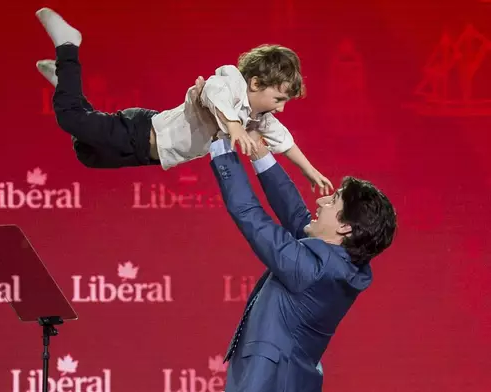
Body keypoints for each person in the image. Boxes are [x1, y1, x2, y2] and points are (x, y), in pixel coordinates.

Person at [188, 77, 397, 391]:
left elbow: (251, 217)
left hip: (266, 382)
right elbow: (299, 219)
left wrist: (220, 143)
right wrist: (260, 156)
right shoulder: (340, 263)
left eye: (333, 199)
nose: (322, 200)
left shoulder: (312, 270)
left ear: (345, 227)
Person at [34, 7, 334, 195]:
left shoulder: (256, 116)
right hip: (139, 130)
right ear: (255, 83)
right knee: (70, 119)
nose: (279, 108)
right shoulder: (232, 82)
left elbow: (284, 141)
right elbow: (211, 91)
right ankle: (68, 45)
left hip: (150, 155)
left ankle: (65, 86)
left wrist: (311, 172)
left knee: (87, 154)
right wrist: (233, 128)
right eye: (278, 98)